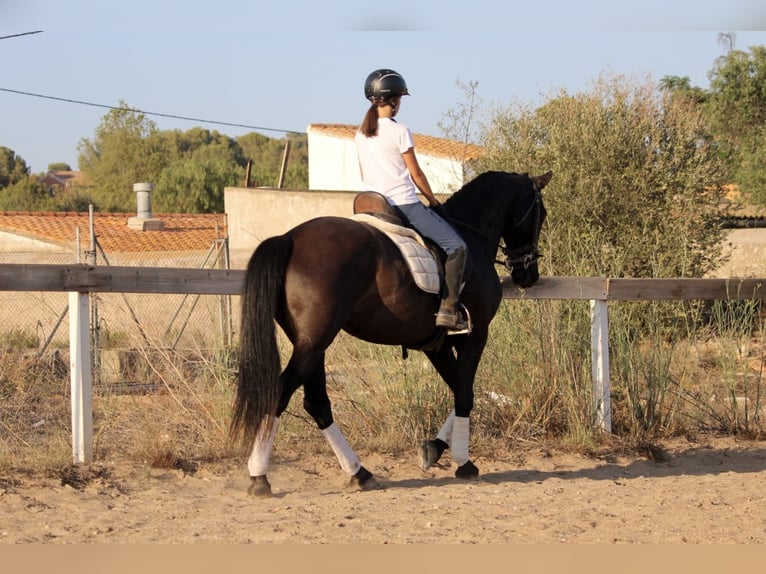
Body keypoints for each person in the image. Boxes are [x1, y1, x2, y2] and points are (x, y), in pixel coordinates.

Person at [355, 68, 468, 331]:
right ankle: (448, 310)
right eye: (400, 99)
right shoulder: (400, 131)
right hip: (403, 204)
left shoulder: (360, 134)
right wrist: (434, 201)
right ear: (394, 100)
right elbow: (416, 174)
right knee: (457, 247)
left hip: (372, 203)